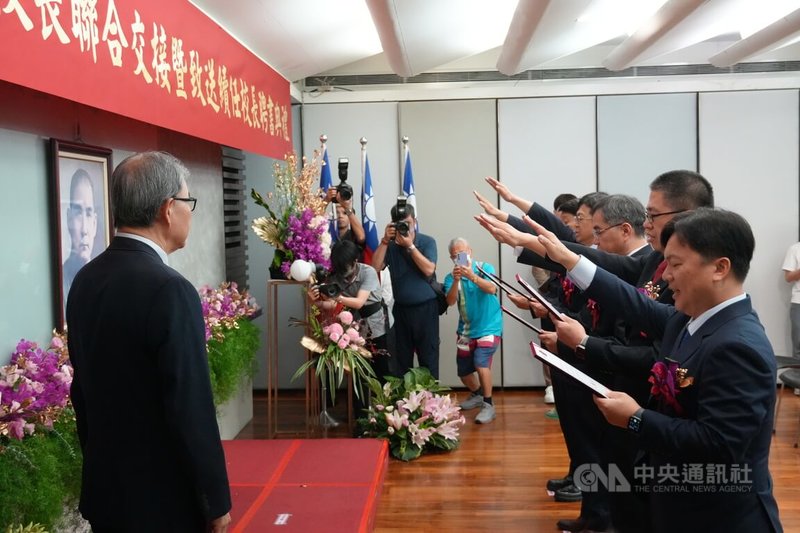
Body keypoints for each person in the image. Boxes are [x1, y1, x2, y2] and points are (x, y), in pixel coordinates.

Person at [527, 209, 783, 533]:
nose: (664, 277)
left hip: (718, 515)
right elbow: (633, 302)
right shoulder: (688, 318)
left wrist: (636, 417)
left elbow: (719, 445)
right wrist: (568, 259)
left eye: (675, 265)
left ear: (720, 268)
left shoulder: (738, 346)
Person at [66, 152, 232, 533]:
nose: (191, 213)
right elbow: (190, 407)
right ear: (167, 209)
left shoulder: (86, 280)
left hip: (106, 492)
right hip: (163, 502)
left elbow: (83, 394)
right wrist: (215, 500)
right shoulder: (170, 290)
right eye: (188, 202)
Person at [309, 239, 393, 384]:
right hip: (354, 329)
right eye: (339, 267)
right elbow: (331, 304)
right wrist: (316, 301)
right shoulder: (336, 276)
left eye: (344, 266)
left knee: (382, 371)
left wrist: (338, 297)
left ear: (355, 260)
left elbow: (359, 302)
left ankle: (385, 405)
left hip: (377, 325)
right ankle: (359, 407)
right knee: (359, 374)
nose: (342, 271)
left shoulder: (368, 272)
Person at [372, 201, 440, 379]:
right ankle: (405, 405)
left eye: (407, 224)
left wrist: (410, 246)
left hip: (426, 309)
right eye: (399, 224)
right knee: (402, 361)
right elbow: (376, 267)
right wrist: (385, 241)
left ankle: (432, 405)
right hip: (401, 310)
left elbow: (429, 269)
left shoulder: (426, 241)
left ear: (415, 221)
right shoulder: (391, 245)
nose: (404, 228)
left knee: (429, 358)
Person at [443, 238, 502, 424]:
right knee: (463, 371)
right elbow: (450, 301)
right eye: (456, 256)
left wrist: (472, 277)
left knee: (481, 362)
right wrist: (456, 281)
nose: (460, 258)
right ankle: (477, 394)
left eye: (463, 253)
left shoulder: (486, 268)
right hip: (466, 331)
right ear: (451, 257)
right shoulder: (449, 277)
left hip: (489, 326)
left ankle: (488, 404)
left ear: (471, 251)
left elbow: (492, 288)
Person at [62, 168, 98, 300]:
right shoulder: (58, 282)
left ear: (94, 224)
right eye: (78, 213)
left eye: (88, 214)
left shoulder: (107, 280)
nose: (84, 230)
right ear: (68, 219)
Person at [782, 241, 800, 360]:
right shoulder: (795, 249)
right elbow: (788, 277)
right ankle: (797, 376)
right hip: (799, 302)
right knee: (798, 344)